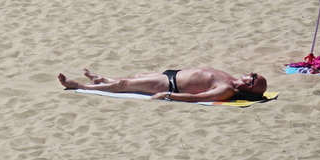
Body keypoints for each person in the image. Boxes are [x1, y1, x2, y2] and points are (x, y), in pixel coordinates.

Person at [57, 67, 267, 103]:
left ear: (249, 86)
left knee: (124, 84)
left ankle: (80, 86)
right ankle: (103, 80)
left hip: (170, 84)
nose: (250, 74)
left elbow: (196, 98)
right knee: (136, 78)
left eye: (253, 78)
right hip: (172, 75)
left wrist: (168, 95)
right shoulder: (229, 78)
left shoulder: (226, 89)